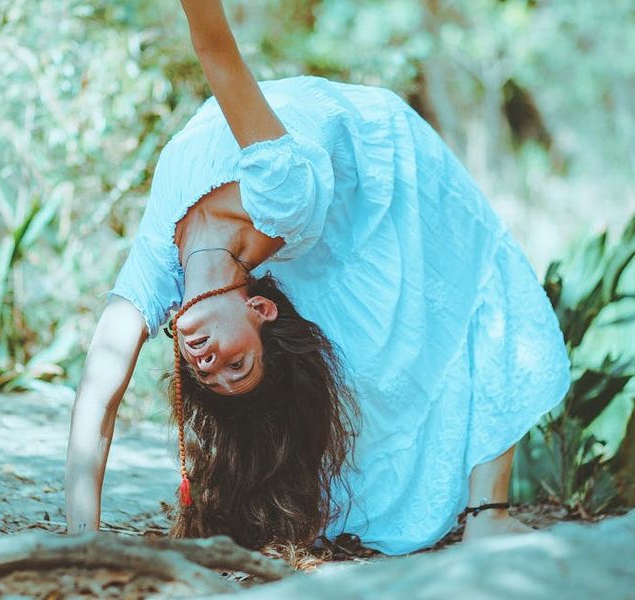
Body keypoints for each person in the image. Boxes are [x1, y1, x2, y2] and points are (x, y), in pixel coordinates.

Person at [65, 0, 570, 555]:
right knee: (478, 278)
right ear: (259, 311)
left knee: (472, 284)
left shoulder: (155, 265)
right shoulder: (279, 196)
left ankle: (486, 515)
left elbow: (97, 396)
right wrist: (84, 546)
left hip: (363, 175)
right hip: (382, 164)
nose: (211, 365)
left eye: (211, 376)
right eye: (239, 364)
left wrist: (78, 540)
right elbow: (216, 49)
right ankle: (483, 517)